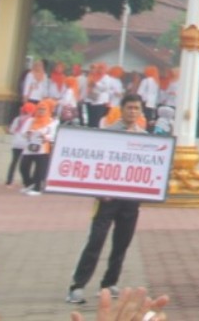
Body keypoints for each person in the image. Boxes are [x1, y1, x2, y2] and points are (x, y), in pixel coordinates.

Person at [66, 95, 150, 305]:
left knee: (122, 242)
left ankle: (109, 282)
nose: (132, 112)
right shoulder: (109, 133)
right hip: (107, 199)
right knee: (96, 240)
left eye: (136, 108)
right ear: (121, 109)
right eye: (129, 108)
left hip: (130, 200)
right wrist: (99, 190)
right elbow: (98, 165)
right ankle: (78, 286)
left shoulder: (146, 138)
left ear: (141, 112)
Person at [20, 100, 57, 195]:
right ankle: (29, 184)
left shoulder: (52, 122)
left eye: (43, 109)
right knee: (23, 166)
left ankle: (37, 188)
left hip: (43, 148)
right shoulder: (31, 120)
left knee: (40, 169)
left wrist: (45, 136)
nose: (41, 111)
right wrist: (28, 133)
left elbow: (53, 135)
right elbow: (23, 132)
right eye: (39, 109)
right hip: (29, 147)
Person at [3, 102, 34, 188]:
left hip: (16, 143)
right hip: (25, 144)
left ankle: (9, 181)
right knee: (25, 164)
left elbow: (12, 131)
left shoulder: (17, 119)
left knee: (13, 162)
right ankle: (26, 182)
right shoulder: (31, 120)